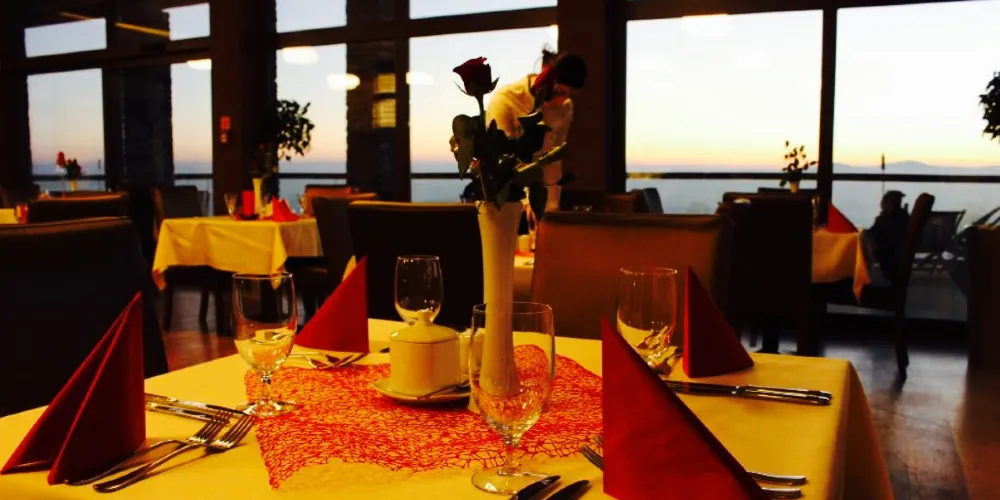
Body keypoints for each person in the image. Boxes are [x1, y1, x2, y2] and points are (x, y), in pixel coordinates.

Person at [486, 48, 587, 215]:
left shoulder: (566, 106)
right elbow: (502, 159)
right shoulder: (506, 99)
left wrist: (552, 204)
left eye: (569, 94)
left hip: (544, 194)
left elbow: (554, 158)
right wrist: (526, 201)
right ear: (545, 73)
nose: (562, 100)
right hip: (508, 197)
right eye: (560, 92)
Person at [863, 190, 910, 284]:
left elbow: (874, 233)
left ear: (889, 204)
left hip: (886, 256)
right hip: (891, 256)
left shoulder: (886, 219)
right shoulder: (903, 217)